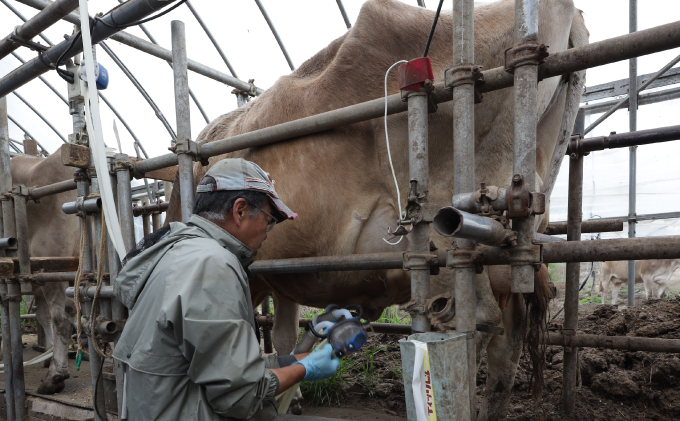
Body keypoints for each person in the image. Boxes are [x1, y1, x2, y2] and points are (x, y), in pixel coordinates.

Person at [112, 158, 340, 420]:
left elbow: (221, 367)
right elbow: (242, 397)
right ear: (240, 211)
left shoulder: (178, 251)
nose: (268, 232)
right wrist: (306, 369)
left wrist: (298, 359)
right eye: (269, 219)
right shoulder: (213, 266)